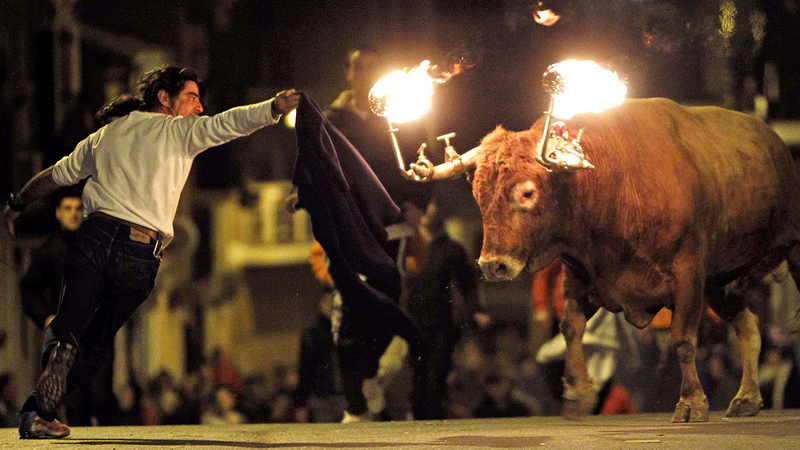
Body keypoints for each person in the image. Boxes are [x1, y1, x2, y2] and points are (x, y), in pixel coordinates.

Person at [3, 65, 300, 439]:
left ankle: (48, 384)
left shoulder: (105, 135)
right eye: (191, 97)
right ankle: (39, 410)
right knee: (97, 342)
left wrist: (17, 202)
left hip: (92, 239)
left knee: (68, 328)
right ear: (165, 98)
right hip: (138, 252)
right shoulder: (179, 132)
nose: (199, 106)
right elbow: (229, 124)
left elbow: (54, 176)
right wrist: (272, 108)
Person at [320, 48, 433, 422]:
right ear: (349, 74)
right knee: (350, 304)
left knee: (386, 301)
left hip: (391, 223)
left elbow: (422, 160)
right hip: (348, 224)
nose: (365, 73)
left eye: (372, 67)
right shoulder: (332, 119)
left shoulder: (401, 116)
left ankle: (370, 373)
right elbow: (315, 161)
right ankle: (355, 403)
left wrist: (418, 202)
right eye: (358, 67)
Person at [406, 201, 490, 419]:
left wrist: (476, 310)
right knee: (417, 378)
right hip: (412, 322)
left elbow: (467, 283)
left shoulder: (451, 249)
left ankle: (433, 423)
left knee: (435, 377)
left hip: (441, 323)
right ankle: (418, 425)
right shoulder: (409, 247)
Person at [20, 190, 83, 331]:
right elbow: (29, 289)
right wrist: (45, 318)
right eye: (68, 208)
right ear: (58, 213)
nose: (74, 214)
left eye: (78, 208)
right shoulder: (50, 251)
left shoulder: (95, 248)